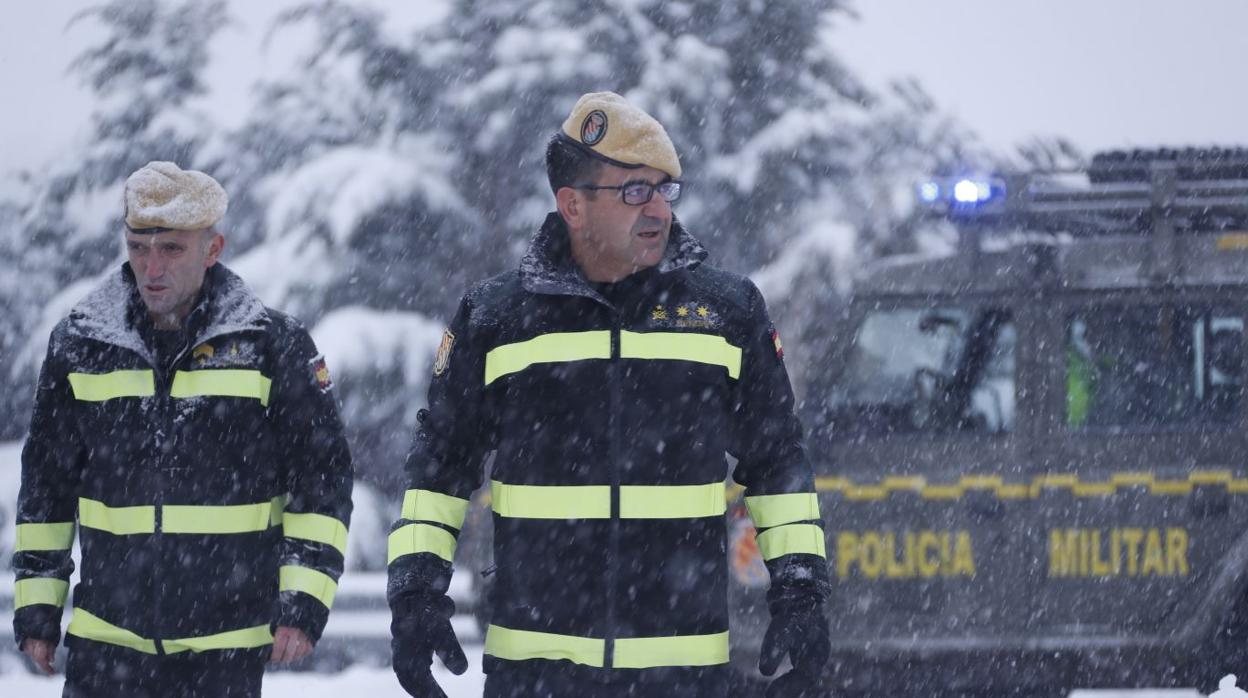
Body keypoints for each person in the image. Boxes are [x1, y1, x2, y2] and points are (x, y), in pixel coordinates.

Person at [388, 92, 830, 698]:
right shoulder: (496, 318)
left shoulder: (726, 313)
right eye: (633, 191)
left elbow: (778, 461)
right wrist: (416, 590)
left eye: (664, 189)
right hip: (535, 671)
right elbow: (438, 469)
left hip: (683, 671)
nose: (657, 210)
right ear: (572, 204)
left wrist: (801, 588)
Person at [12, 162, 354, 697]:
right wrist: (37, 603)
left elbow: (323, 479)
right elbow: (46, 487)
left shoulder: (272, 346)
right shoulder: (78, 344)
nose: (151, 268)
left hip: (225, 652)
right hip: (105, 648)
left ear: (212, 249)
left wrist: (304, 600)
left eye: (171, 249)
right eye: (138, 247)